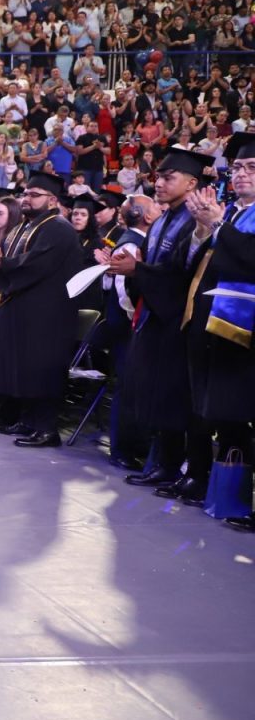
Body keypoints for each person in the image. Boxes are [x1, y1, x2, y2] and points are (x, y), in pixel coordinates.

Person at [102, 147, 208, 496]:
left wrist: (139, 270)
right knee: (157, 394)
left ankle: (179, 468)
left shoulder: (195, 220)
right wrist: (129, 268)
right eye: (158, 177)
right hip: (154, 315)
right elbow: (151, 264)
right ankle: (163, 464)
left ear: (191, 183)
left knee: (175, 397)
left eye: (168, 178)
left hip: (178, 319)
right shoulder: (162, 219)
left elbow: (183, 273)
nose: (159, 183)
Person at [0, 171, 84, 447]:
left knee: (41, 368)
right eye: (25, 193)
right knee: (24, 367)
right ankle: (28, 420)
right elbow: (17, 258)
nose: (26, 199)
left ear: (52, 200)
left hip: (48, 313)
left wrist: (1, 264)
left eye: (34, 195)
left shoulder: (58, 227)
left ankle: (46, 429)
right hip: (26, 308)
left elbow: (35, 263)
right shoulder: (29, 225)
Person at [182, 132, 255, 528]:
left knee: (241, 414)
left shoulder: (232, 218)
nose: (241, 174)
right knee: (228, 416)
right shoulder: (237, 213)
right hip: (221, 328)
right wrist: (204, 226)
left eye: (252, 168)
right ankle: (227, 499)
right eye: (238, 167)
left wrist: (217, 225)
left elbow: (249, 258)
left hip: (247, 333)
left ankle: (240, 501)